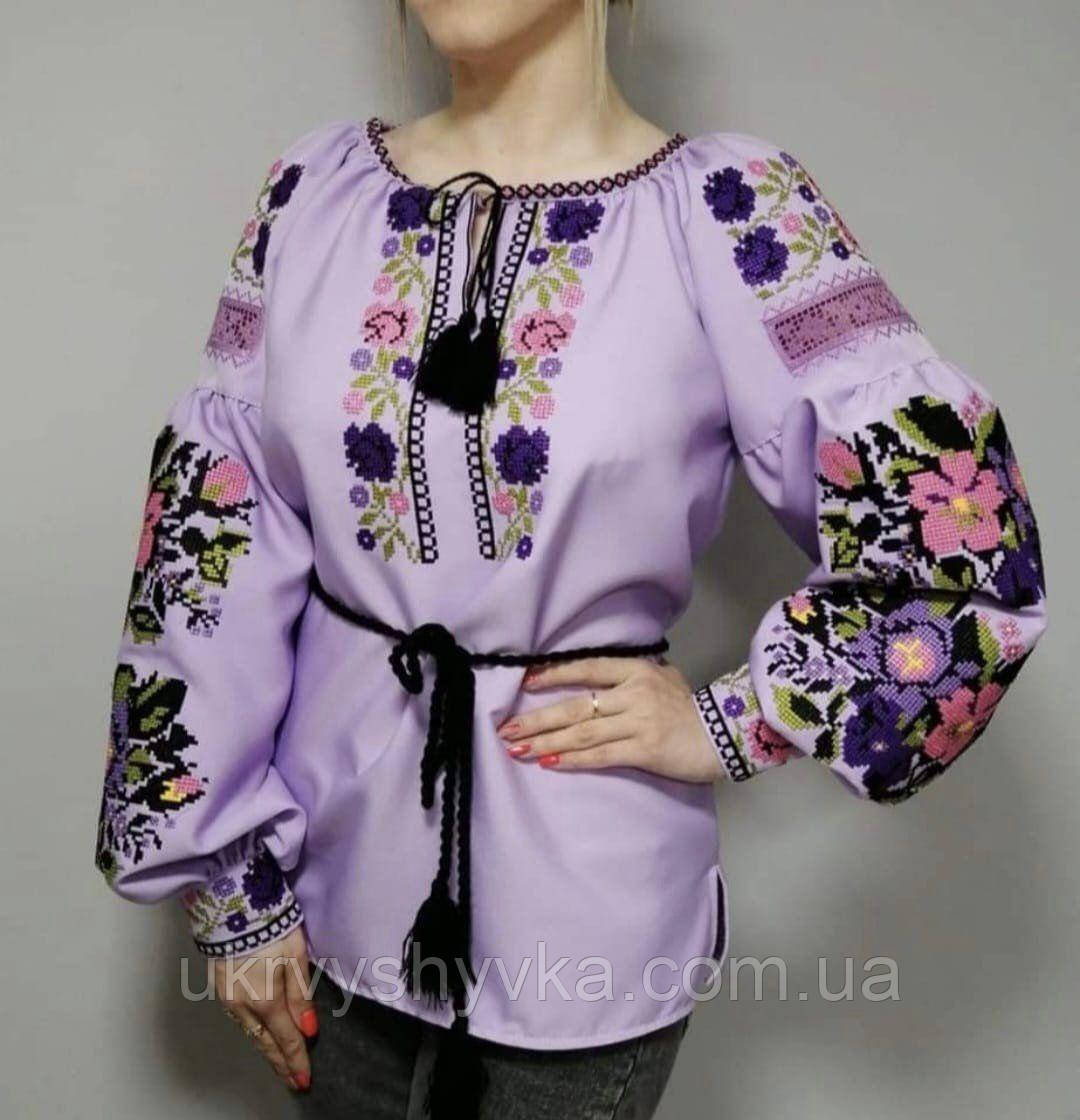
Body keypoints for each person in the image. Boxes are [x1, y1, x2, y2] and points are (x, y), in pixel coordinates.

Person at [93, 1, 1049, 1117]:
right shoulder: (311, 196)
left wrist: (737, 720)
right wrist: (228, 882)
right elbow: (213, 532)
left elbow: (958, 537)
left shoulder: (732, 210)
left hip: (591, 914)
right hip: (323, 896)